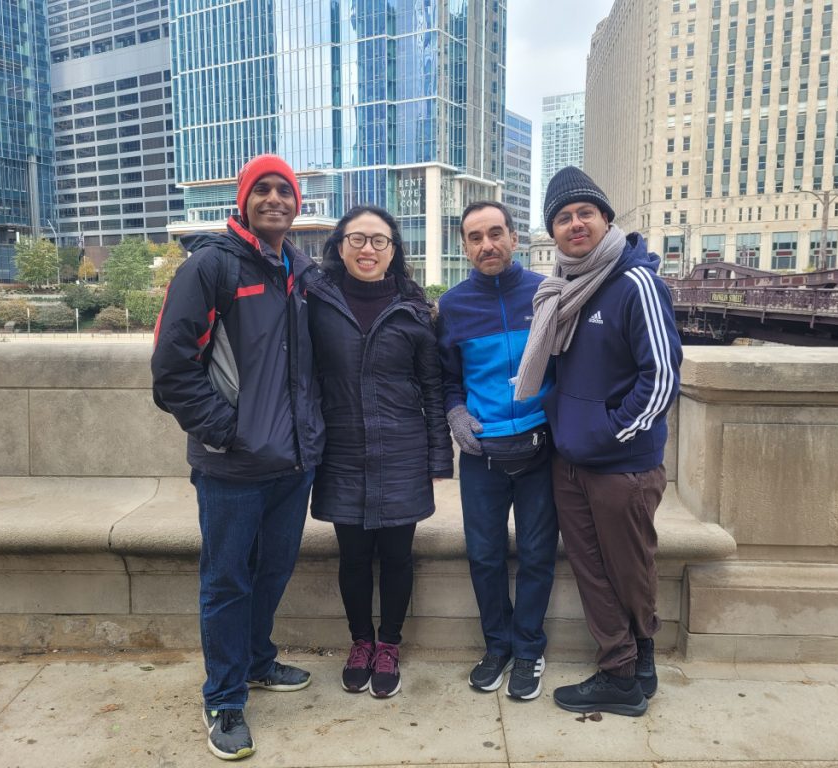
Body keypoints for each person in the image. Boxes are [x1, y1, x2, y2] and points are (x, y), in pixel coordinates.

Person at [151, 154, 324, 760]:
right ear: (243, 199)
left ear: (297, 204)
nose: (275, 199)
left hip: (292, 462)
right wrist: (227, 432)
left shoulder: (301, 270)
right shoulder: (209, 267)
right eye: (263, 190)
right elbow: (171, 370)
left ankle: (256, 661)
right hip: (231, 466)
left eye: (285, 191)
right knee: (227, 581)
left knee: (272, 572)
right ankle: (224, 699)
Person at [515, 166, 682, 717]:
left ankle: (640, 659)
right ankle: (621, 671)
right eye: (563, 218)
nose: (575, 224)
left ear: (607, 219)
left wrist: (611, 435)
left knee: (630, 569)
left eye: (585, 212)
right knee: (591, 570)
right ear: (553, 232)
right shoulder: (563, 290)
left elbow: (662, 379)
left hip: (621, 465)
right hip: (570, 460)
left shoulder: (635, 283)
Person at [306, 205, 453, 699]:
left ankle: (388, 644)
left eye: (379, 240)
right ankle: (360, 642)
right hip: (341, 449)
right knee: (352, 556)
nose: (367, 249)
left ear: (393, 250)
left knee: (396, 555)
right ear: (339, 246)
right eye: (357, 239)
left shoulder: (415, 309)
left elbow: (432, 388)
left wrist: (439, 458)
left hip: (402, 450)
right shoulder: (316, 304)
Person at [435, 201, 558, 701]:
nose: (487, 244)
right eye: (475, 237)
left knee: (537, 555)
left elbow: (569, 365)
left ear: (513, 237)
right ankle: (497, 646)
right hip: (481, 454)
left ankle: (528, 649)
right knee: (484, 557)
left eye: (495, 233)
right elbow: (447, 377)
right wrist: (455, 412)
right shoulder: (452, 305)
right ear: (464, 246)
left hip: (540, 450)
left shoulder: (547, 293)